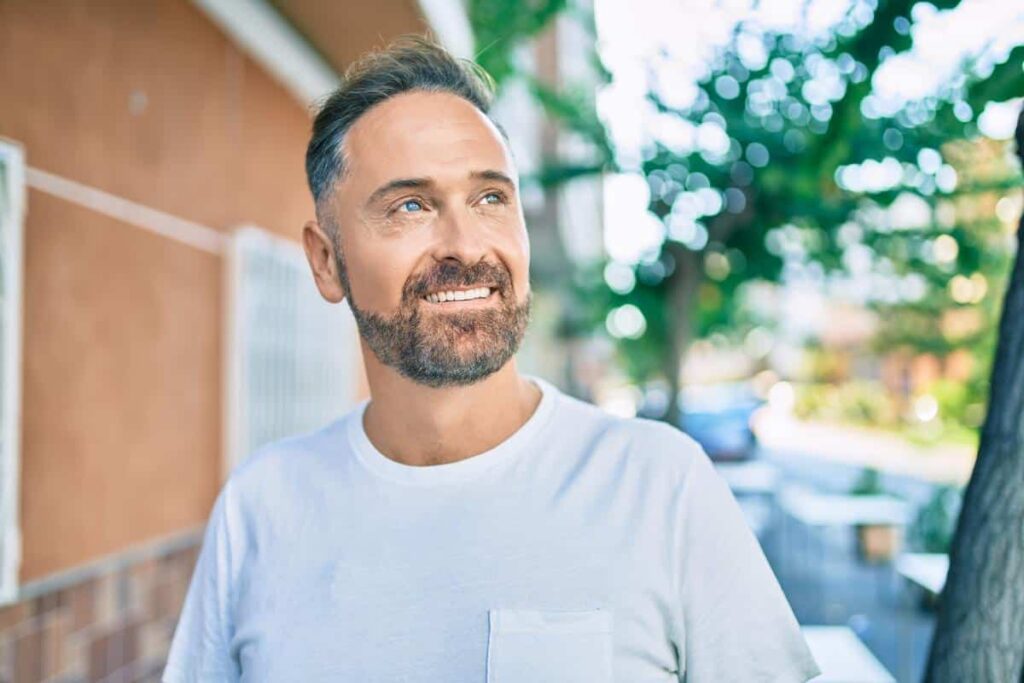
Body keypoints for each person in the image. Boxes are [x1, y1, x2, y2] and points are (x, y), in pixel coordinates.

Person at [162, 36, 820, 683]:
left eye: (490, 198)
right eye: (411, 205)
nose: (467, 244)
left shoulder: (660, 486)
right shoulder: (259, 508)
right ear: (326, 261)